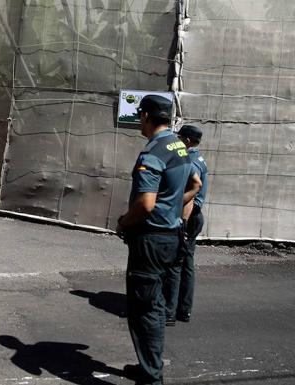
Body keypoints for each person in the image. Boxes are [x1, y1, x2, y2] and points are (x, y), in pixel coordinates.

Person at [116, 95, 201, 385]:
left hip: (150, 239)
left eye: (140, 114)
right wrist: (174, 207)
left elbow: (145, 204)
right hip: (171, 236)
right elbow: (194, 184)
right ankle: (148, 367)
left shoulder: (152, 152)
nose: (139, 119)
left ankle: (152, 376)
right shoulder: (178, 146)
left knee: (144, 309)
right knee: (154, 304)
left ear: (146, 116)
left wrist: (123, 223)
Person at [164, 125, 208, 326]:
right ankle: (183, 310)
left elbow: (192, 189)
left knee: (177, 263)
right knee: (186, 262)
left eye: (180, 137)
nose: (177, 139)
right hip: (193, 217)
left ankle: (170, 311)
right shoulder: (197, 158)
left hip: (188, 217)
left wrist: (182, 222)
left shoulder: (190, 161)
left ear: (188, 141)